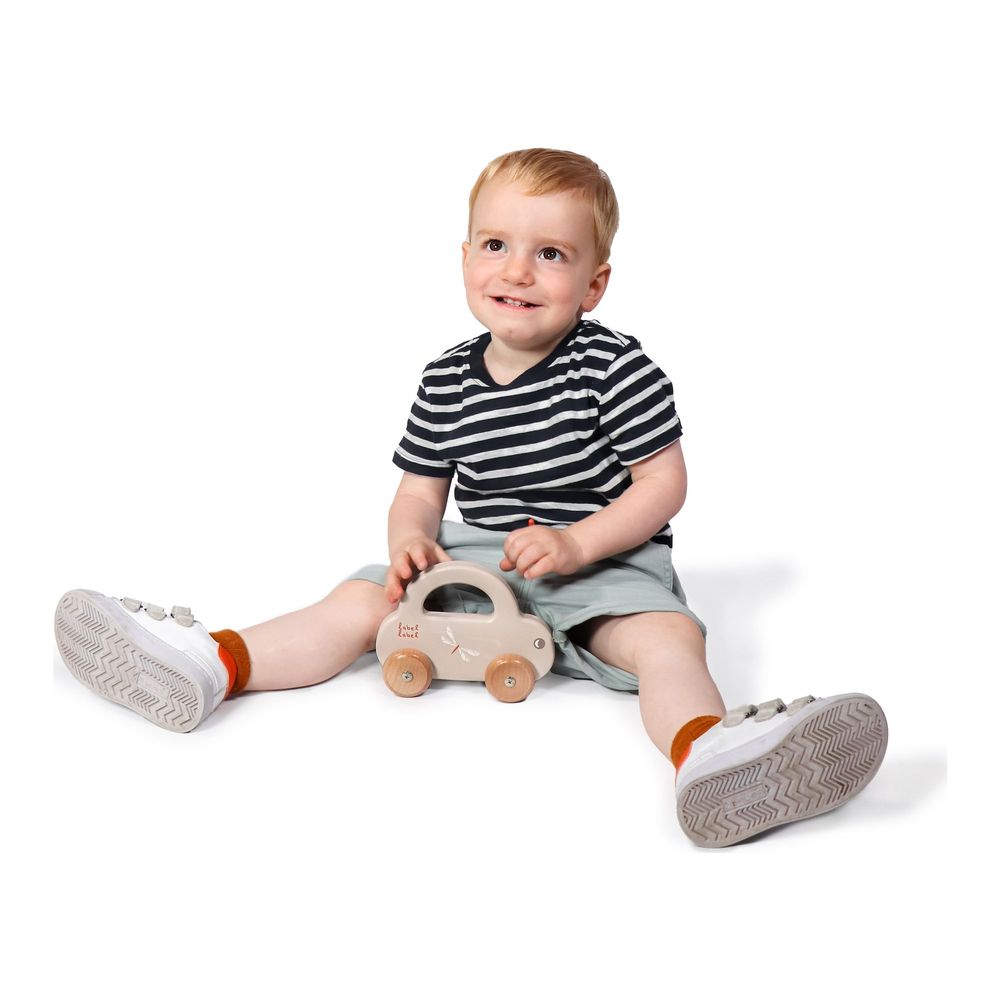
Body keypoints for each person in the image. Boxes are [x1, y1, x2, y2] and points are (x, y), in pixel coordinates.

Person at [53, 148, 887, 848]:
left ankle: (708, 753)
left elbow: (662, 484)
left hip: (604, 563)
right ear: (463, 260)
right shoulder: (446, 377)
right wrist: (410, 540)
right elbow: (419, 489)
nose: (516, 269)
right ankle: (214, 663)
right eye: (495, 244)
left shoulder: (616, 367)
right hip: (480, 559)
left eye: (550, 254)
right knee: (354, 602)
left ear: (594, 283)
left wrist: (577, 542)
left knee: (665, 640)